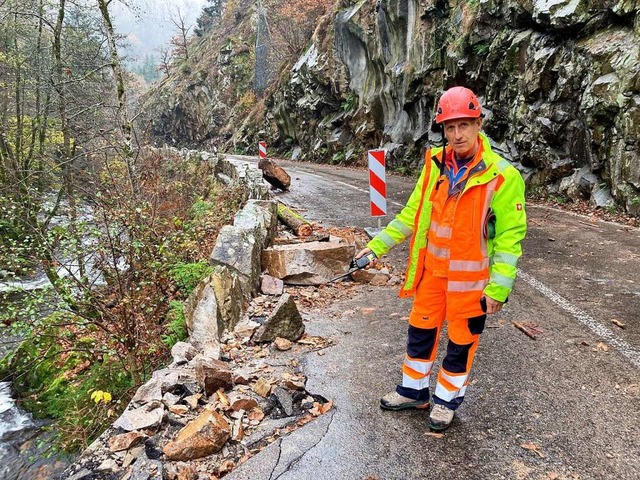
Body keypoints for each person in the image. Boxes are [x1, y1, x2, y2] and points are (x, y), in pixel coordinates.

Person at [357, 86, 527, 431]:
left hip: (471, 282)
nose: (457, 134)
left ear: (478, 123)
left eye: (464, 125)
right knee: (420, 331)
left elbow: (511, 237)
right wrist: (375, 246)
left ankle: (447, 401)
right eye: (450, 127)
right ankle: (413, 391)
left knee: (461, 343)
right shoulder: (435, 167)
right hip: (433, 274)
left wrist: (498, 288)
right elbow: (411, 216)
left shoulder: (503, 176)